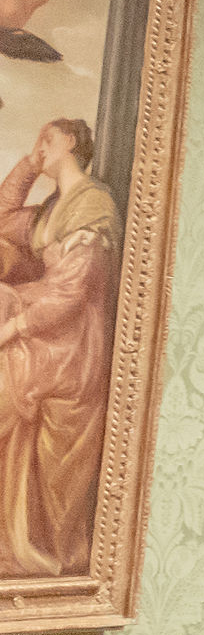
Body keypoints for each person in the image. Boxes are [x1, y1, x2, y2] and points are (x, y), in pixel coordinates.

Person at [0, 116, 119, 578]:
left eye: (45, 138)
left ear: (70, 141)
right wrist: (29, 167)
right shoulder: (54, 207)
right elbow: (5, 220)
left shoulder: (93, 203)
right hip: (49, 331)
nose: (39, 146)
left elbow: (72, 293)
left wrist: (12, 329)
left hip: (71, 342)